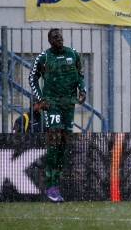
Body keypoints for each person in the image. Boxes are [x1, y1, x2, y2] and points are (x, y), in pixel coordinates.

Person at [28, 28, 86, 203]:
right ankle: (51, 185)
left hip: (68, 104)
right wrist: (41, 98)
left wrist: (82, 91)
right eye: (55, 37)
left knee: (63, 144)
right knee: (54, 141)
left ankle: (56, 185)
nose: (58, 39)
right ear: (49, 41)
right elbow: (32, 78)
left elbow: (80, 76)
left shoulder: (73, 54)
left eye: (60, 36)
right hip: (52, 104)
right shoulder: (44, 57)